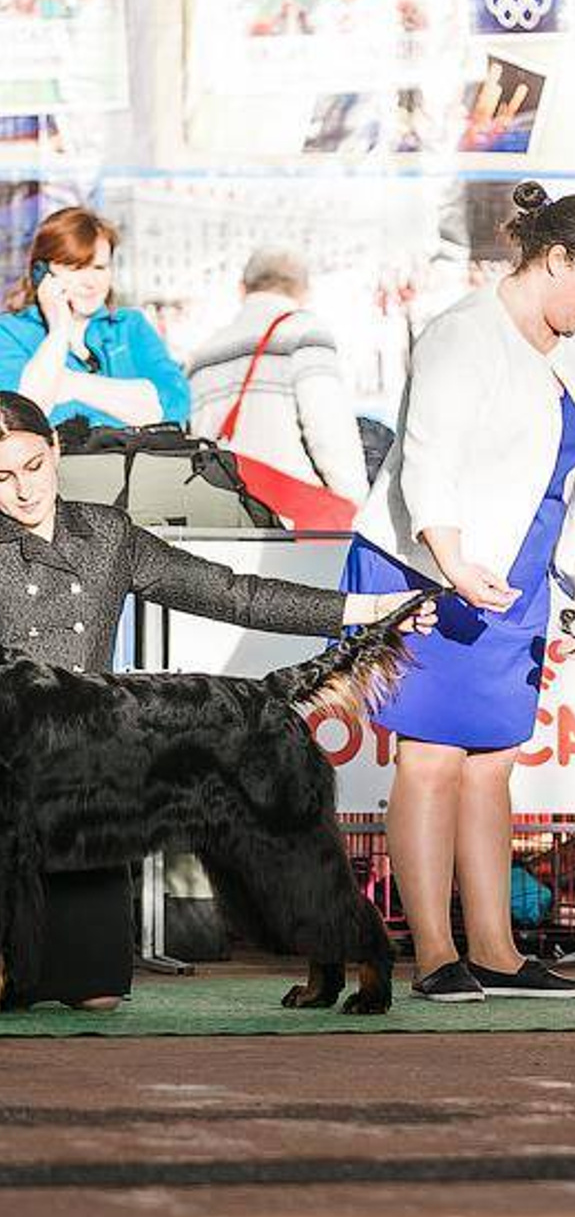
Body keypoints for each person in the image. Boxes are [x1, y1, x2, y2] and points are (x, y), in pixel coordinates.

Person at [0, 390, 435, 1011]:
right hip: (16, 770)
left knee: (96, 996)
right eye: (3, 477)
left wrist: (360, 612)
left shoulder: (105, 532)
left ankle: (360, 962)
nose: (22, 489)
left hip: (97, 776)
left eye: (33, 466)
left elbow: (230, 593)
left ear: (56, 451)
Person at [347, 179, 575, 1003]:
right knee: (430, 759)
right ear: (556, 258)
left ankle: (494, 948)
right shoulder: (461, 335)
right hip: (427, 566)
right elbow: (426, 461)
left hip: (518, 574)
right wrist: (449, 560)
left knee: (493, 763)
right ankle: (432, 953)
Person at [188, 247, 369, 508]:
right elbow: (330, 432)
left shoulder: (203, 354)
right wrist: (355, 502)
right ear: (304, 291)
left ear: (242, 289)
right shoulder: (304, 333)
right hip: (291, 522)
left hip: (220, 514)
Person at [0, 207, 189, 430]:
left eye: (100, 267)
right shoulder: (10, 332)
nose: (91, 282)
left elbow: (175, 406)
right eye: (76, 268)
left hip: (138, 461)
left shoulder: (130, 326)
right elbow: (22, 419)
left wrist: (70, 383)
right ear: (41, 272)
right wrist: (58, 331)